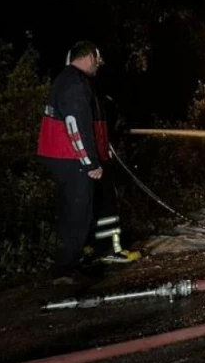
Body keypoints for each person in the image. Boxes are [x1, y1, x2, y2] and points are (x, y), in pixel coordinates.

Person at [37, 41, 140, 284]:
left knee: (96, 207)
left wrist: (101, 153)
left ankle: (97, 252)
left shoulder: (77, 81)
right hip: (72, 160)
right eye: (98, 59)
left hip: (78, 158)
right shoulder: (73, 84)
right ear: (91, 57)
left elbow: (87, 125)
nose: (100, 64)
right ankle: (63, 270)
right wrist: (89, 163)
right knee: (77, 212)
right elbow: (75, 128)